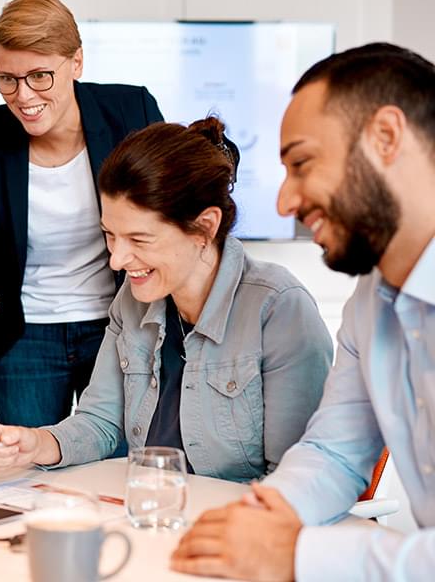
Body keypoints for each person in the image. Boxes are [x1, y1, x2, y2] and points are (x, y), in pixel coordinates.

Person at [171, 43, 435, 582]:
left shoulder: (279, 300)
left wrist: (294, 556)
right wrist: (255, 522)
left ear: (387, 136)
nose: (285, 201)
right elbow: (335, 452)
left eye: (302, 163)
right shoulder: (371, 306)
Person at [0, 118, 333, 481]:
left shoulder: (278, 309)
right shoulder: (131, 302)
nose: (117, 260)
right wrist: (36, 442)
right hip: (153, 512)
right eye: (110, 236)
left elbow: (296, 477)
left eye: (139, 240)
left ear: (205, 227)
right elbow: (100, 423)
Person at [0, 0, 163, 427]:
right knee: (31, 478)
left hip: (122, 323)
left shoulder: (131, 111)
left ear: (76, 62)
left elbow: (178, 205)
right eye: (7, 79)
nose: (22, 96)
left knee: (117, 469)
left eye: (40, 75)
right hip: (23, 338)